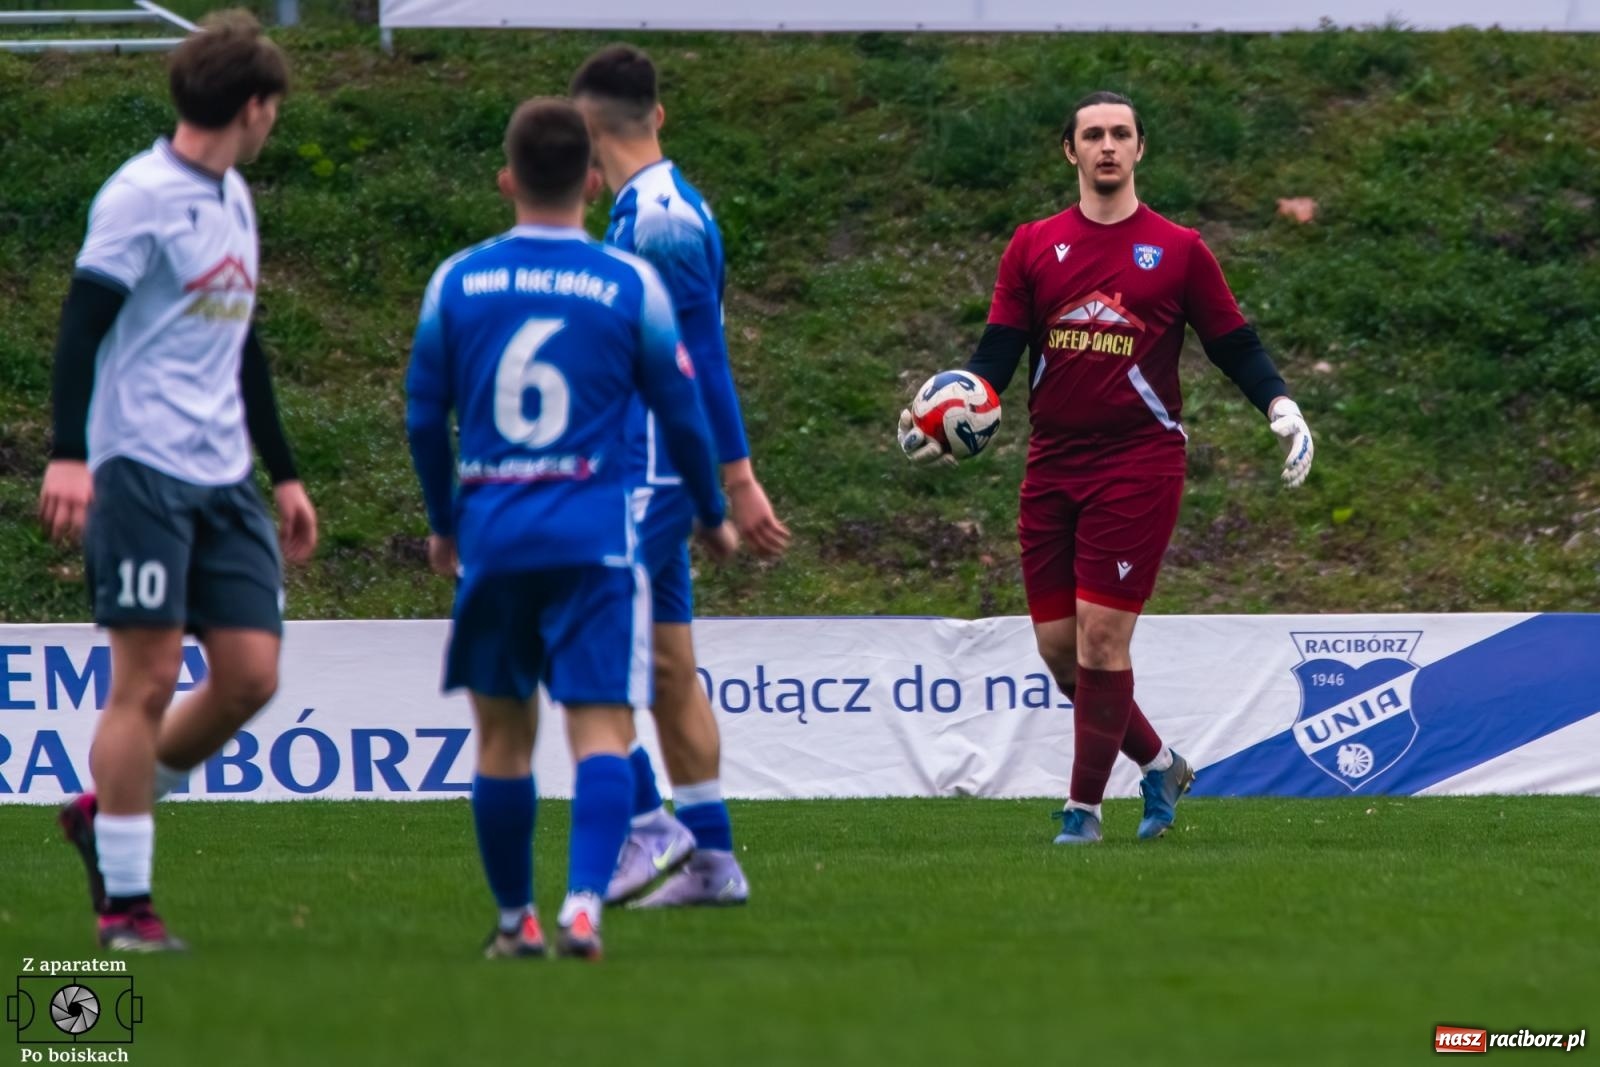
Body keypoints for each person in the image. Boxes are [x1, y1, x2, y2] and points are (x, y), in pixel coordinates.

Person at [898, 91, 1314, 844]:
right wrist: (946, 412)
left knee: (1100, 644)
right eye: (1093, 135)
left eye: (1121, 133)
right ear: (1071, 152)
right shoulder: (1032, 245)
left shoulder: (1180, 249)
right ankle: (1159, 763)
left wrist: (1280, 406)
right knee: (1062, 657)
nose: (1108, 146)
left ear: (1140, 149)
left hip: (1139, 463)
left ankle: (1081, 813)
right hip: (1051, 464)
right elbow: (996, 355)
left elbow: (1233, 342)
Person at [406, 97, 737, 960]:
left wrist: (444, 524)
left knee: (504, 738)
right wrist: (710, 510)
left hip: (497, 537)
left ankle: (515, 918)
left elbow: (420, 416)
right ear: (592, 180)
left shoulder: (457, 280)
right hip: (595, 539)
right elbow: (683, 411)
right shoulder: (629, 284)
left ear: (507, 178)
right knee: (601, 729)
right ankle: (583, 904)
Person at [40, 10, 317, 952]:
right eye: (273, 108)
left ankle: (103, 808)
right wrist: (70, 453)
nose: (272, 121)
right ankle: (126, 902)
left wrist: (283, 474)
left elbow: (242, 345)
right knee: (148, 677)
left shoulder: (235, 197)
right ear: (252, 105)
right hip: (141, 470)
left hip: (224, 475)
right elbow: (81, 327)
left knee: (250, 675)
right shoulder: (139, 196)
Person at [571, 44, 790, 908]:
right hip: (656, 463)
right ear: (657, 115)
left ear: (588, 130)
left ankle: (646, 824)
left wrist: (734, 483)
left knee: (578, 645)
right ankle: (713, 862)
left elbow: (700, 360)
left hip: (650, 469)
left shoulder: (656, 219)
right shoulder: (651, 206)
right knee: (668, 668)